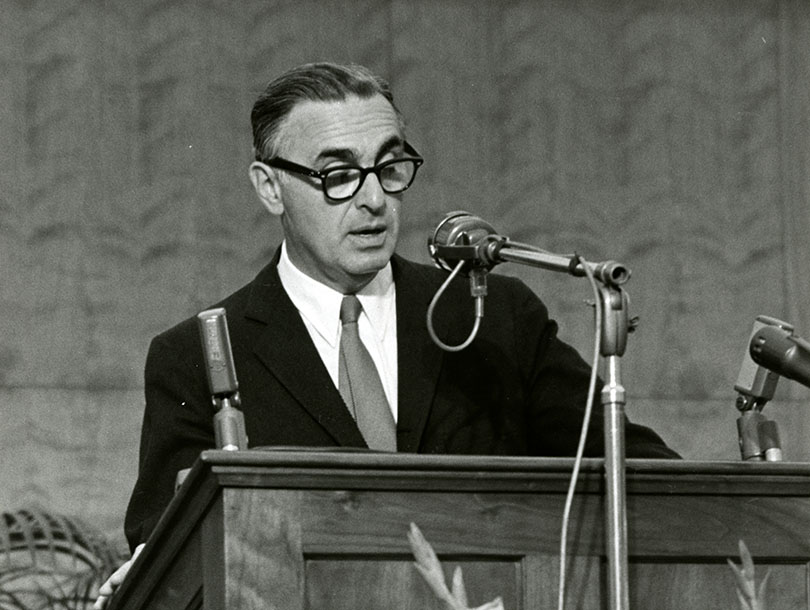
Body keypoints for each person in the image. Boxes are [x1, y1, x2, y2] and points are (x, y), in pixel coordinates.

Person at [95, 61, 678, 608]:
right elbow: (164, 555)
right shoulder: (195, 354)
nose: (374, 199)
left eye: (389, 167)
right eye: (339, 175)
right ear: (269, 187)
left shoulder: (492, 318)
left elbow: (640, 471)